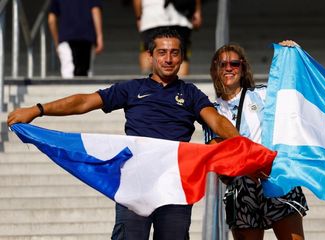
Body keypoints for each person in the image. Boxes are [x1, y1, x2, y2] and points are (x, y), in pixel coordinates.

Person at [7, 27, 245, 240]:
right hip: (135, 181)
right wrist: (38, 109)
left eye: (174, 53)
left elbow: (216, 120)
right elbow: (83, 102)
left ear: (182, 57)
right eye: (162, 52)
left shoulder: (191, 93)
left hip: (173, 182)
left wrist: (240, 143)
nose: (168, 58)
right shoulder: (132, 89)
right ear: (149, 56)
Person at [204, 42, 309, 240]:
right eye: (222, 64)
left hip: (275, 177)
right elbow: (216, 153)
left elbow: (295, 90)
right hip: (242, 186)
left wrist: (292, 53)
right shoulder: (211, 110)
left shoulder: (264, 93)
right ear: (214, 69)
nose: (228, 68)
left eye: (234, 64)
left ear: (242, 68)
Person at [132, 0, 202, 76]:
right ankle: (181, 85)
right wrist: (197, 11)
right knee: (180, 53)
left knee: (147, 50)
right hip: (181, 17)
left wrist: (139, 17)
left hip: (152, 16)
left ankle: (146, 82)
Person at [48, 0, 104, 78]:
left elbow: (51, 20)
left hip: (66, 38)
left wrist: (57, 43)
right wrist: (99, 37)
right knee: (86, 74)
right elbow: (95, 11)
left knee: (68, 74)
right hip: (87, 38)